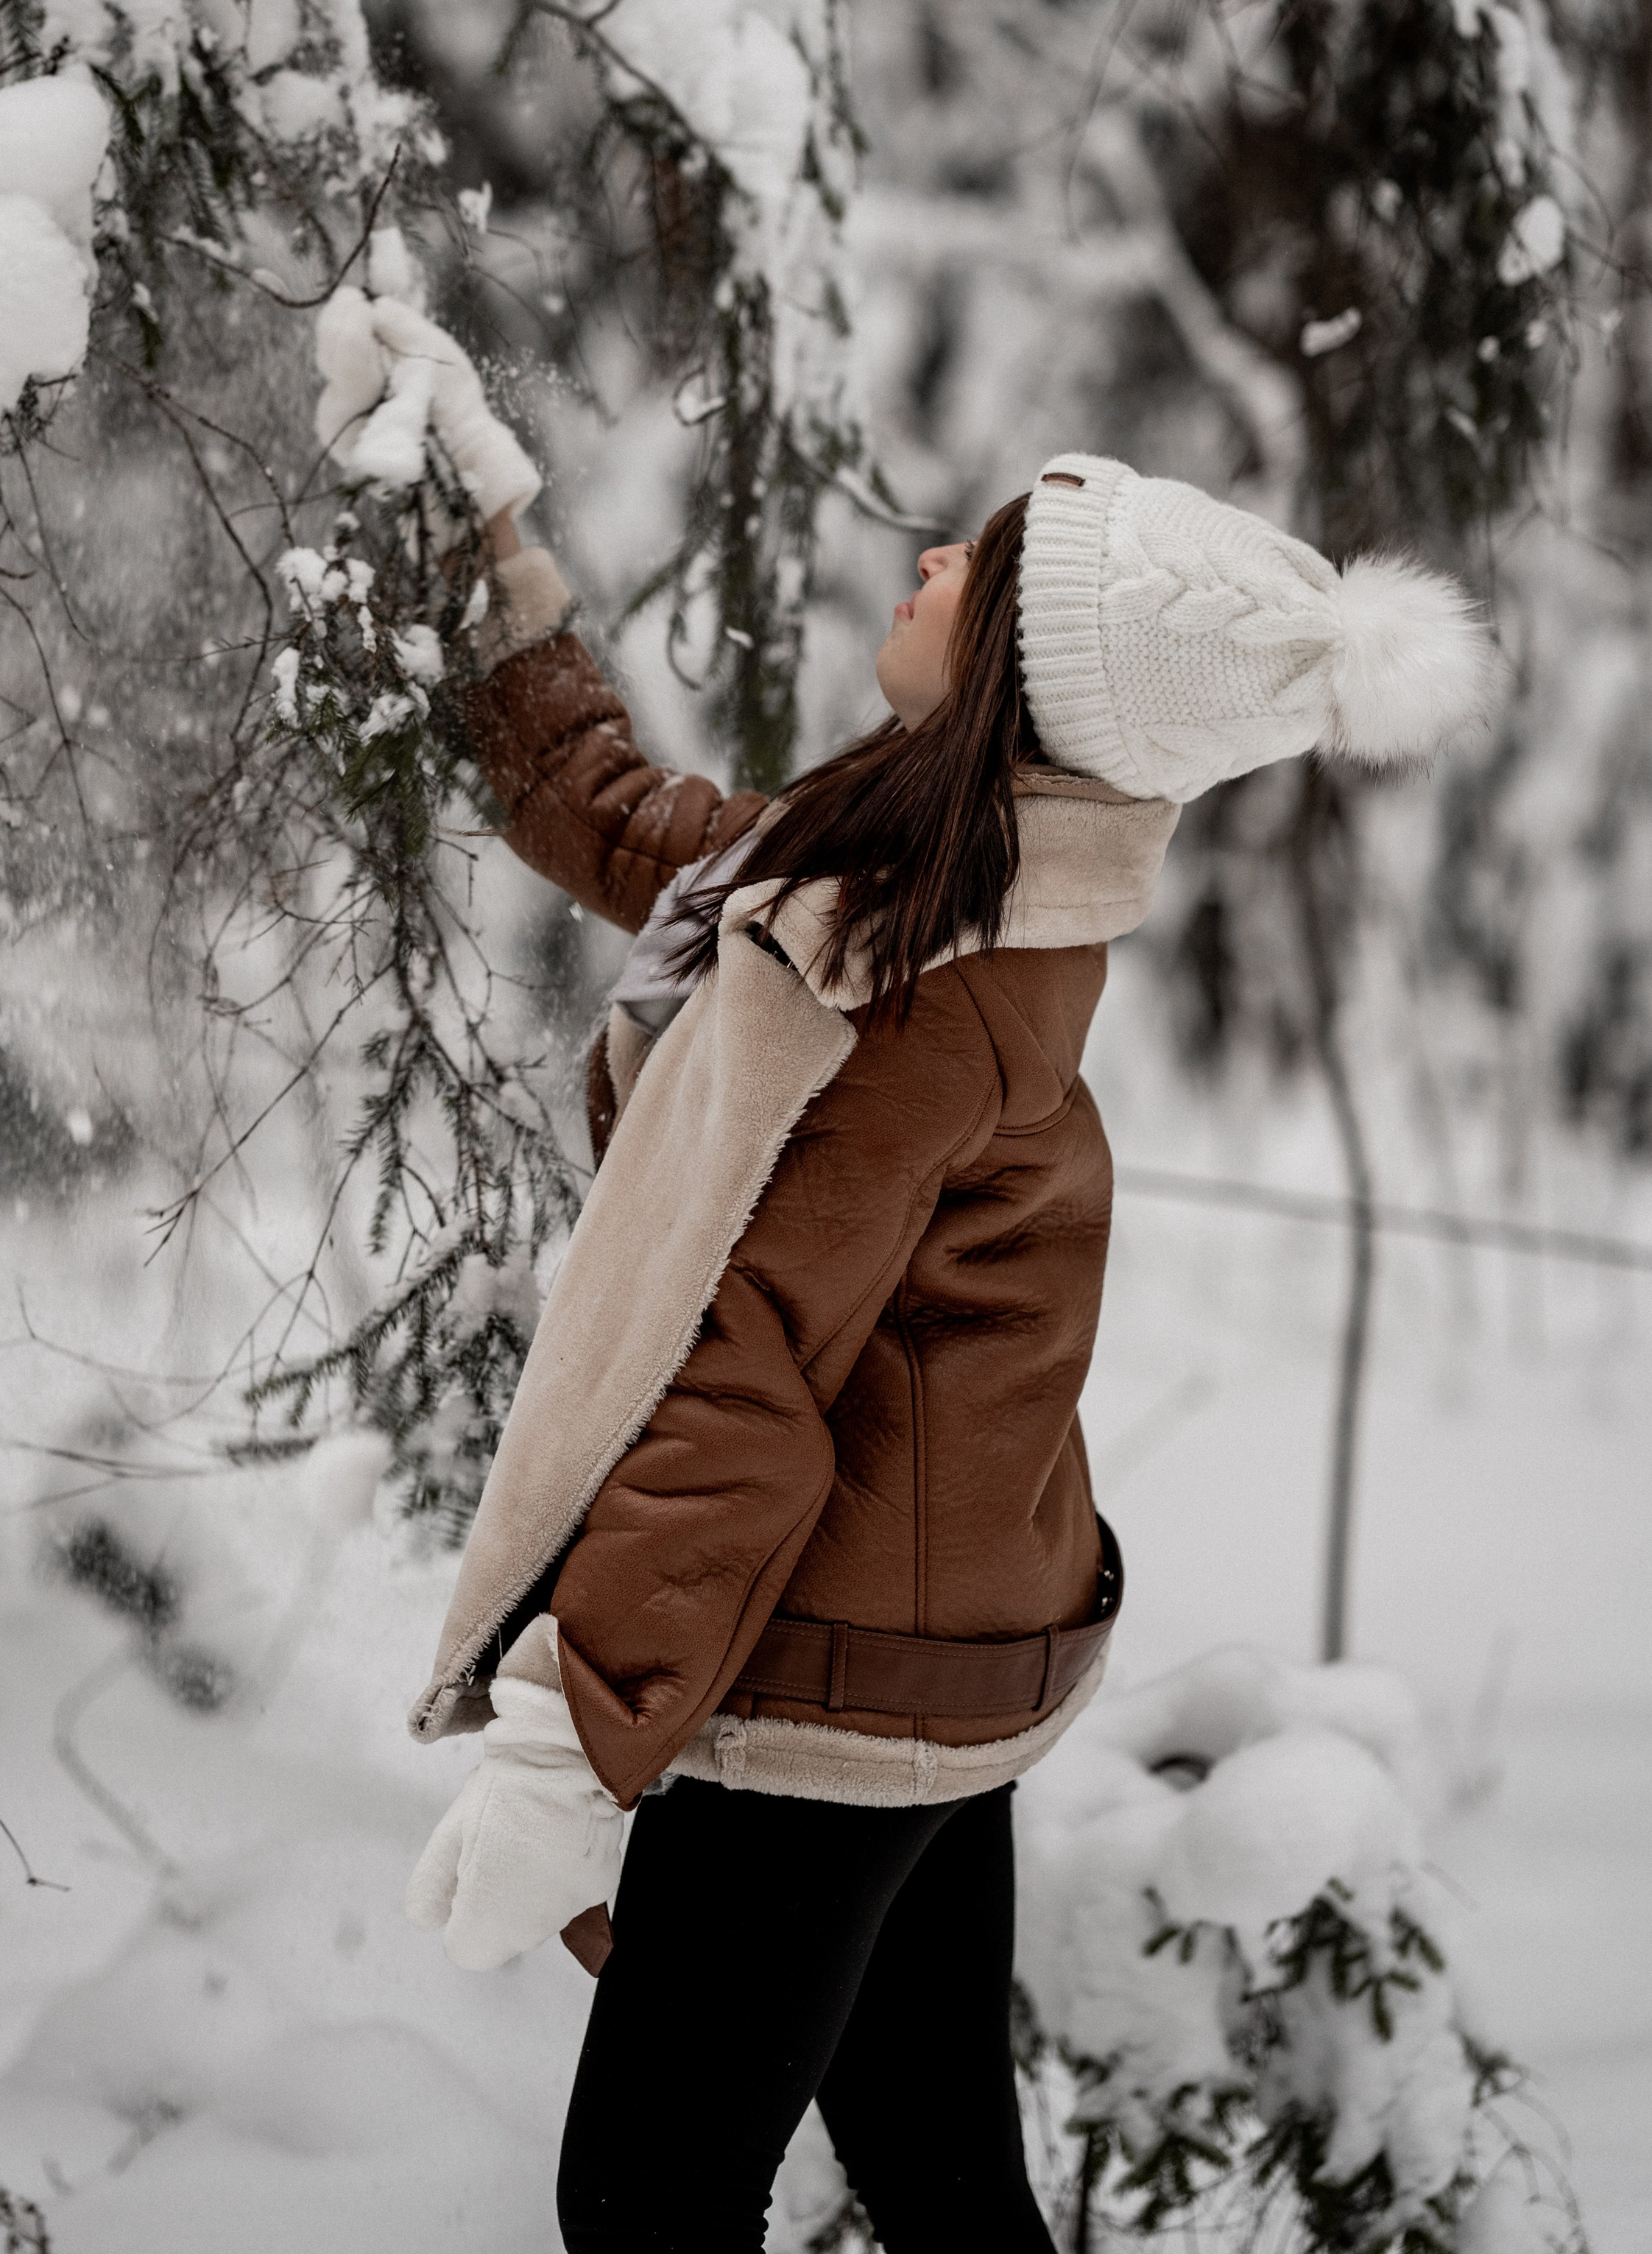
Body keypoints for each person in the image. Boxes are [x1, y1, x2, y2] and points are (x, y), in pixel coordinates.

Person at [403, 448, 1494, 2253]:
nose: (925, 557)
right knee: (937, 2182)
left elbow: (732, 1371)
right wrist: (483, 565)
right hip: (935, 1648)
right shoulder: (915, 874)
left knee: (645, 2201)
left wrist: (569, 1738)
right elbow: (632, 826)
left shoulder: (896, 982)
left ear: (1027, 683)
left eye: (976, 569)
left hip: (835, 1685)